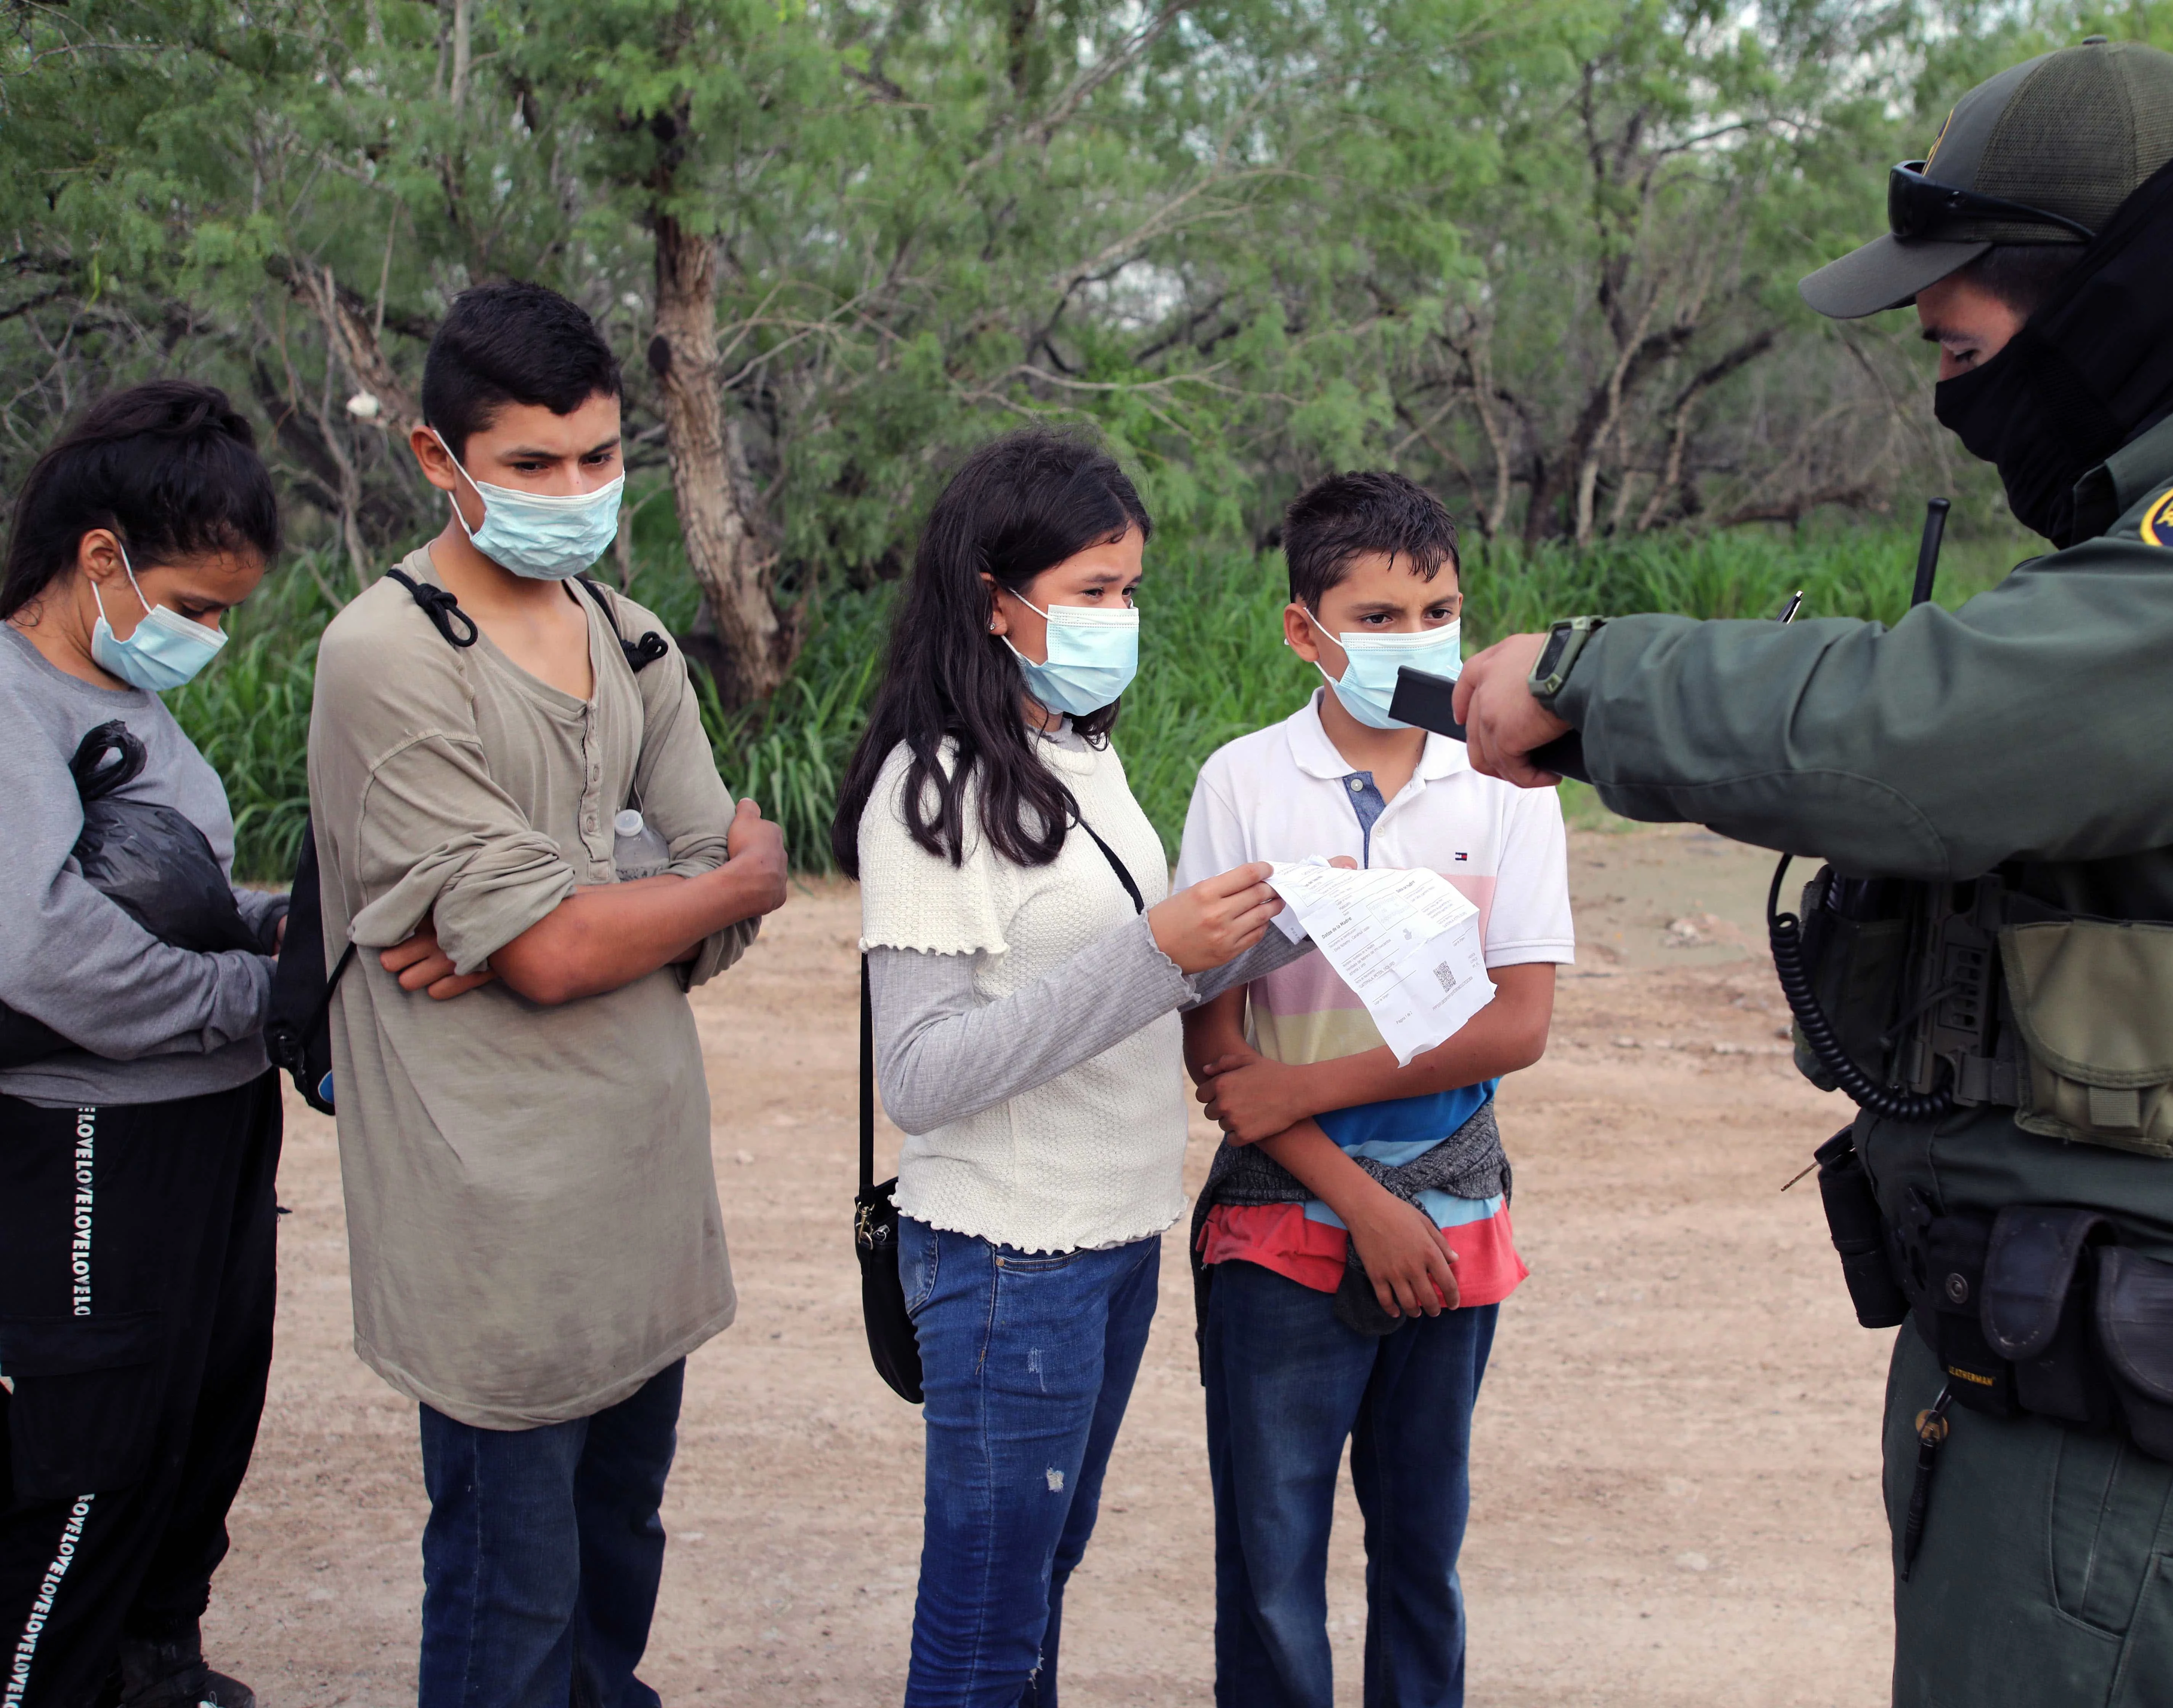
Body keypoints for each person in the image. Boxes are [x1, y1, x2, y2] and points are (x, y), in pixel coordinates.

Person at [1452, 38, 2173, 1708]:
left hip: (2151, 1457)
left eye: (1959, 298)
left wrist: (1595, 679)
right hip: (2080, 1395)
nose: (1928, 339)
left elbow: (1931, 735)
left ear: (2123, 289)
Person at [304, 280, 788, 1708]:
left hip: (643, 1205)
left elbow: (703, 876)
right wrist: (677, 896)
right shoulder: (384, 656)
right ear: (438, 461)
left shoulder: (632, 636)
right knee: (507, 1606)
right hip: (493, 1229)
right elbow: (582, 942)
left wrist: (614, 896)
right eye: (531, 464)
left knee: (615, 1565)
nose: (574, 492)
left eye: (597, 458)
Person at [833, 429, 1306, 1708]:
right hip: (1006, 1256)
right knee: (988, 1625)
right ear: (995, 599)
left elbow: (1133, 981)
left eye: (1131, 589)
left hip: (1110, 1238)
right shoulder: (930, 791)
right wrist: (1158, 954)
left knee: (1037, 1587)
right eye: (1094, 591)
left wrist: (1284, 927)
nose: (1122, 617)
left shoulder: (1080, 759)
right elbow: (922, 1076)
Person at [1174, 472, 1572, 1708]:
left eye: (1439, 610)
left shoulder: (1510, 786)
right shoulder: (1242, 784)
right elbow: (1219, 1054)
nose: (1417, 641)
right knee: (1272, 1568)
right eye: (1381, 616)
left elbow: (1518, 1024)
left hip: (1452, 1231)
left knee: (1421, 1557)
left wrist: (1316, 1097)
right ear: (1307, 630)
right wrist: (1358, 1197)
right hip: (1279, 1232)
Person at [0, 381, 282, 1708]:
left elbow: (190, 903)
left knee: (199, 1420)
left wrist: (299, 930)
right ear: (100, 557)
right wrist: (255, 1000)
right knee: (93, 1444)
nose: (211, 637)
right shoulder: (12, 704)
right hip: (91, 1135)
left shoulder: (127, 699)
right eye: (200, 607)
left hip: (210, 1122)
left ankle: (150, 1665)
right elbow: (45, 950)